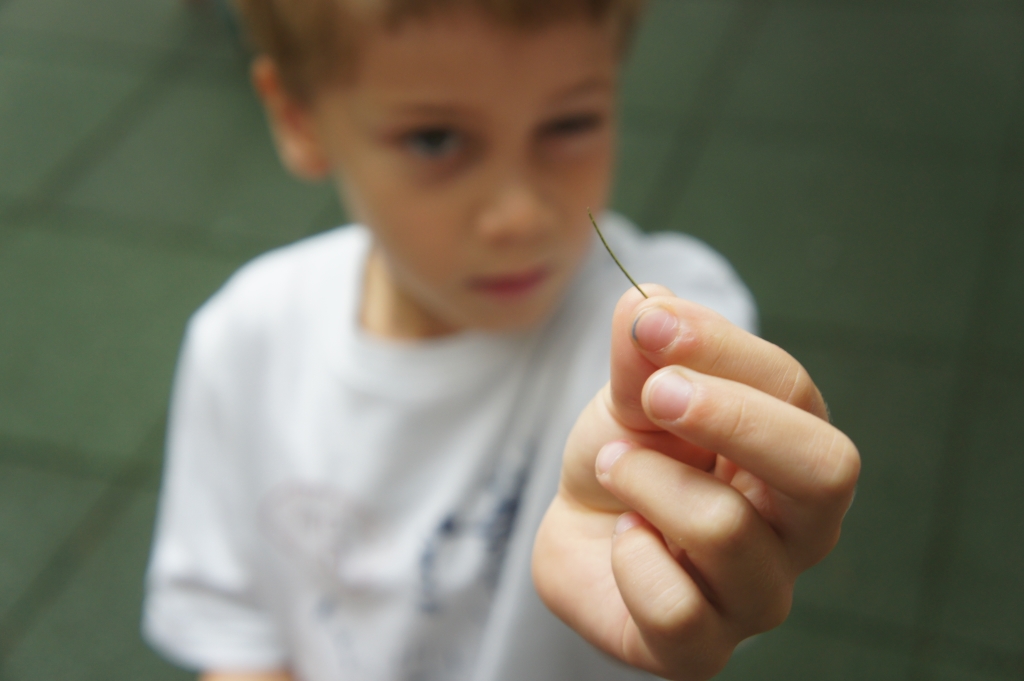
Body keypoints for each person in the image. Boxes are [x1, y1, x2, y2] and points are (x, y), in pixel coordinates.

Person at [143, 1, 860, 679]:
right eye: (435, 139)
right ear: (297, 118)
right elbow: (239, 638)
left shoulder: (664, 316)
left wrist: (710, 512)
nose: (519, 214)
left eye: (570, 122)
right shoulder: (243, 340)